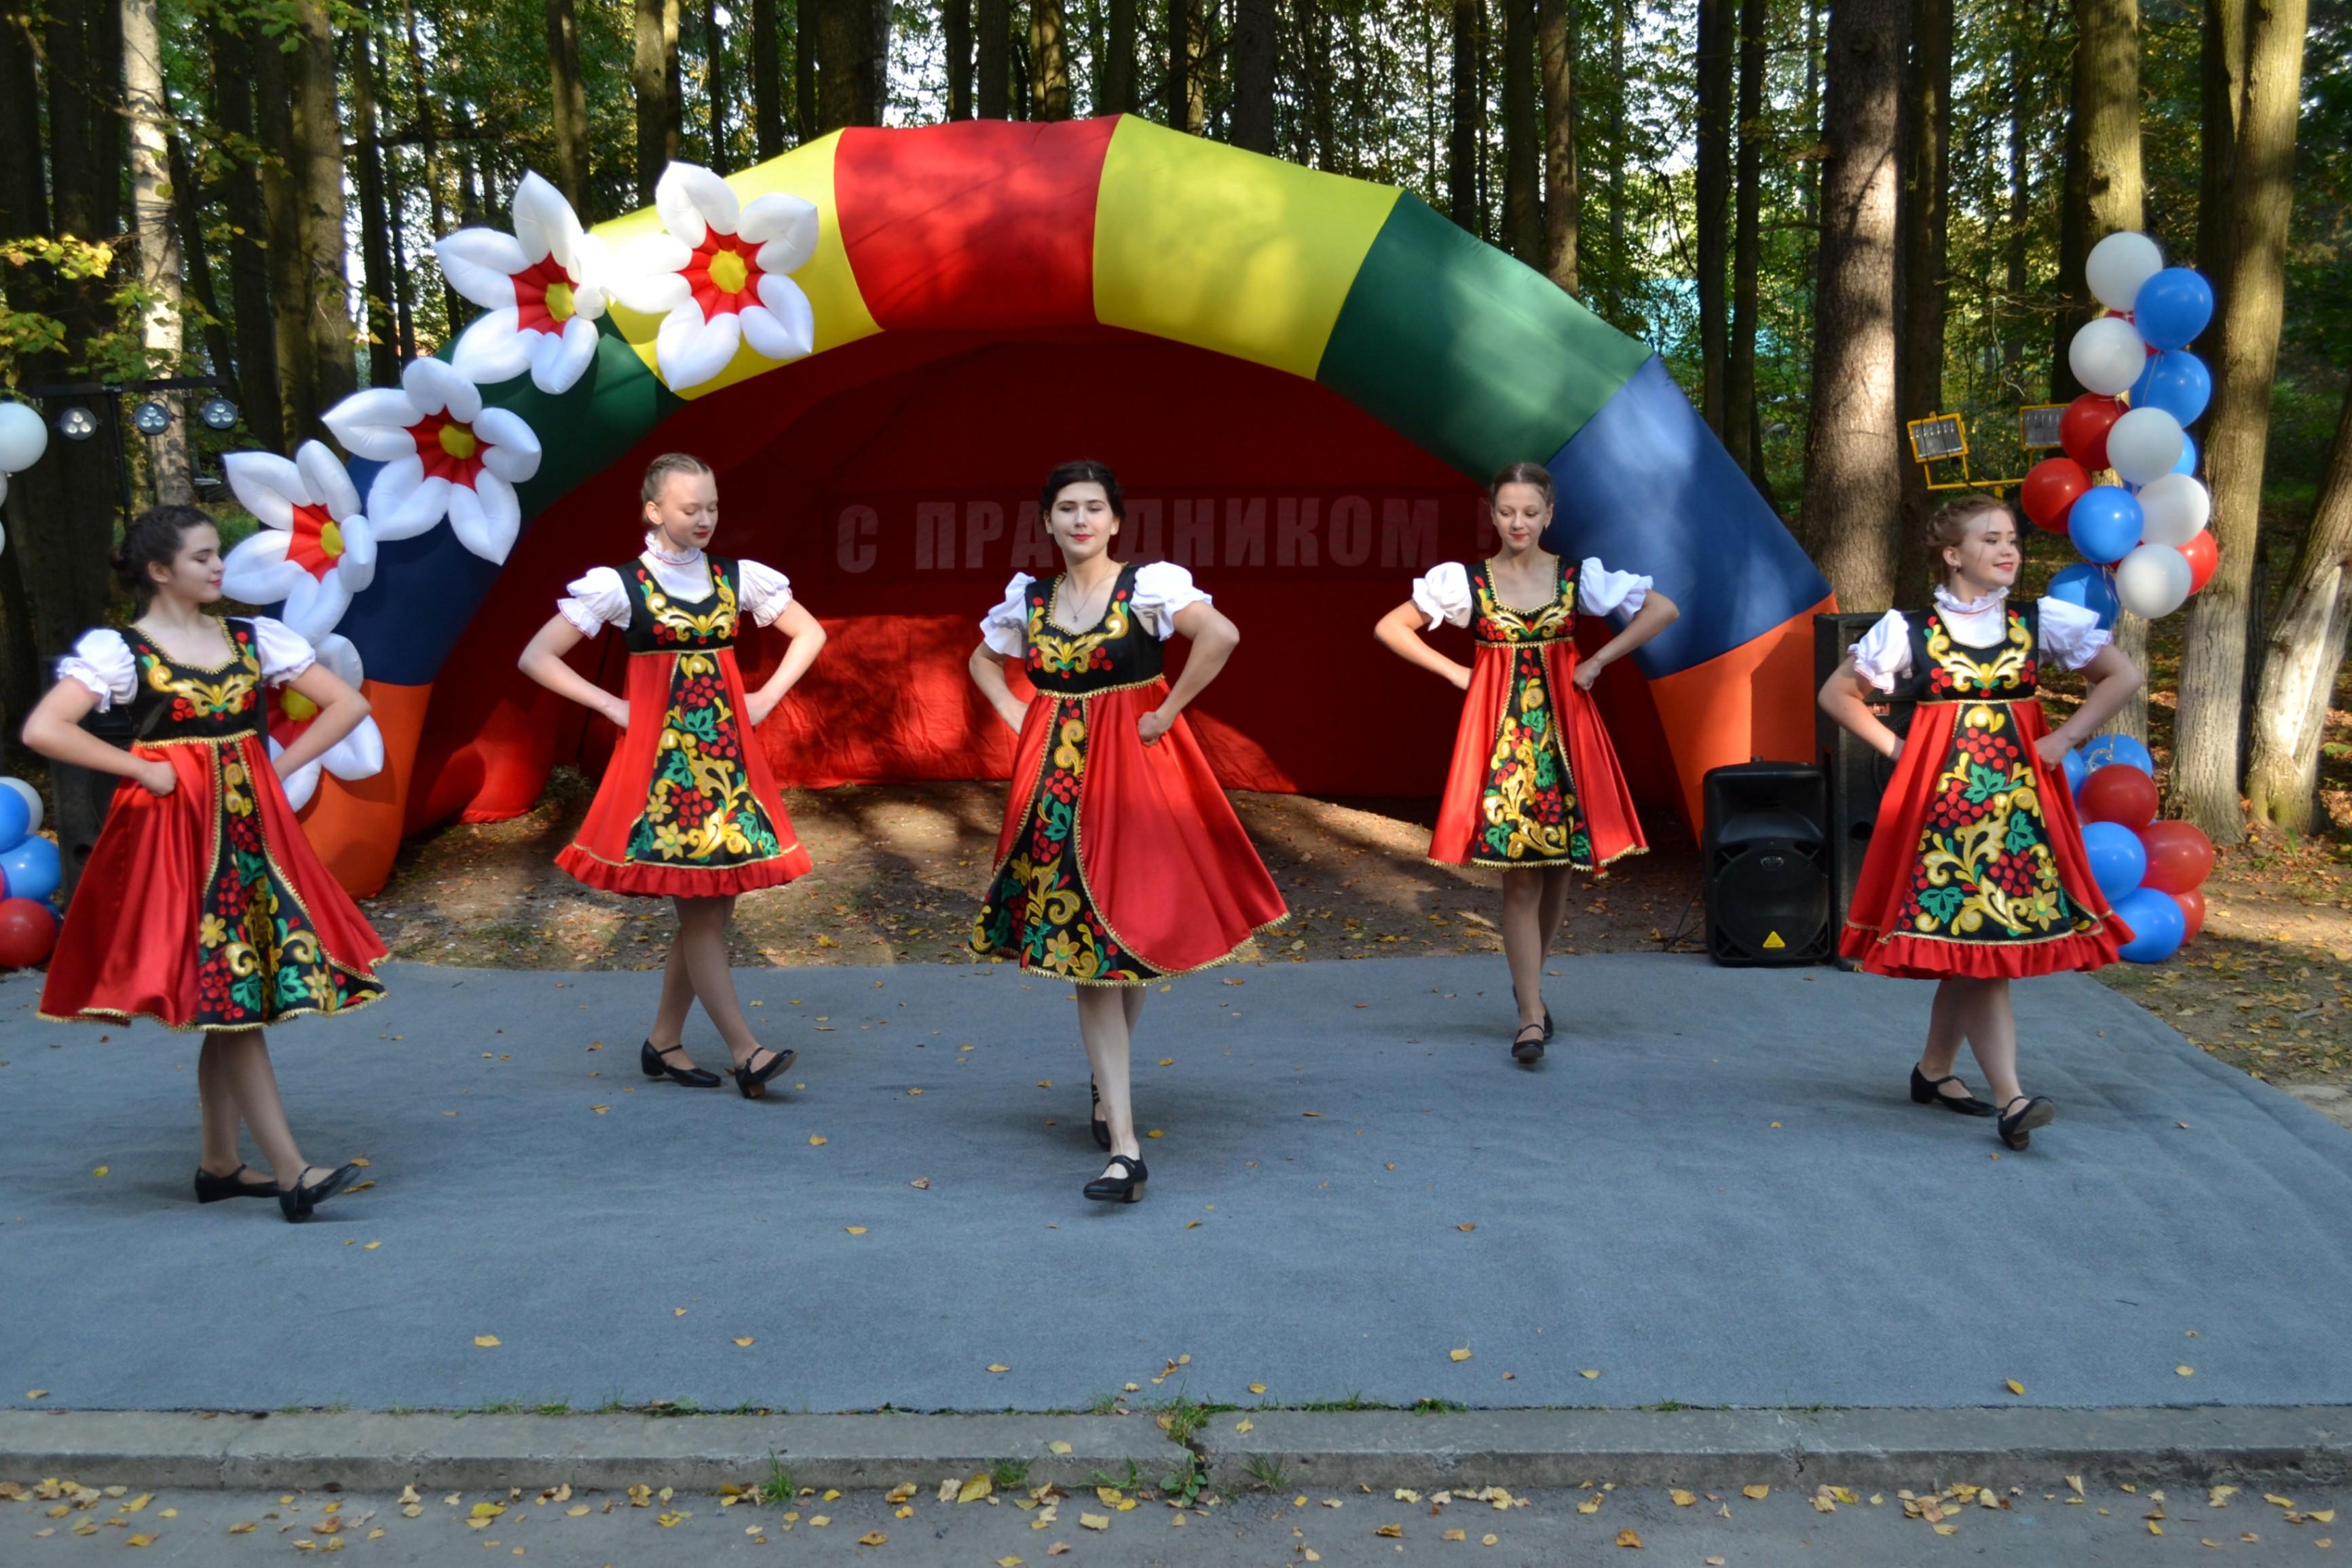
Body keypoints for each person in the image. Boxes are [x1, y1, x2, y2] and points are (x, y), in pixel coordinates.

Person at [22, 505, 386, 1222]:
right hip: (173, 835)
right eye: (202, 557)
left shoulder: (252, 638)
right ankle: (290, 1169)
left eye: (217, 554)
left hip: (248, 832)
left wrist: (281, 767)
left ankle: (221, 1163)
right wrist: (140, 767)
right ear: (159, 572)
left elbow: (345, 703)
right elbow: (45, 727)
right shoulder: (123, 651)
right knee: (231, 992)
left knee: (233, 994)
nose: (220, 566)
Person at [968, 460, 1287, 1204]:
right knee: (1089, 955)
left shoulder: (1150, 586)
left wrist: (1169, 711)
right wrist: (1023, 719)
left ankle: (1111, 1104)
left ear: (1115, 522)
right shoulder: (1030, 598)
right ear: (1047, 522)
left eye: (1094, 509)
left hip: (1135, 783)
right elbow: (983, 662)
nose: (1081, 520)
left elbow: (1222, 635)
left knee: (1125, 941)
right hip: (1052, 791)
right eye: (1067, 509)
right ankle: (1124, 1145)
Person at [1818, 491, 2141, 1151]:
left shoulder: (2038, 621)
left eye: (2013, 539)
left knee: (1981, 949)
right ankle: (2011, 1098)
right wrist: (1900, 749)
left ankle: (1935, 1070)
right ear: (1952, 554)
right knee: (1981, 951)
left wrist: (2064, 740)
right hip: (1944, 820)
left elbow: (2121, 677)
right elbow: (1837, 694)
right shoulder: (1910, 630)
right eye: (1991, 538)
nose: (2007, 550)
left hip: (2019, 814)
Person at [517, 452, 823, 1100]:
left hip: (730, 771)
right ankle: (746, 1050)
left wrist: (765, 699)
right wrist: (611, 705)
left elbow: (810, 634)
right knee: (703, 916)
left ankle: (663, 1040)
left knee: (711, 913)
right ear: (654, 511)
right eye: (691, 508)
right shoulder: (619, 585)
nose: (706, 518)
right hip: (667, 776)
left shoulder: (738, 578)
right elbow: (536, 656)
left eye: (712, 506)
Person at [1374, 462, 1678, 1065]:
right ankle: (1529, 1015)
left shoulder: (1574, 577)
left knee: (1559, 871)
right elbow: (1391, 627)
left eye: (1530, 512)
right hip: (1502, 743)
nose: (1518, 522)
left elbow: (1662, 610)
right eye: (1507, 511)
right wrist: (1457, 672)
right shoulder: (1467, 581)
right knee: (1518, 877)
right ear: (1492, 514)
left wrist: (1597, 661)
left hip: (1566, 735)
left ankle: (1528, 986)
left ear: (1549, 516)